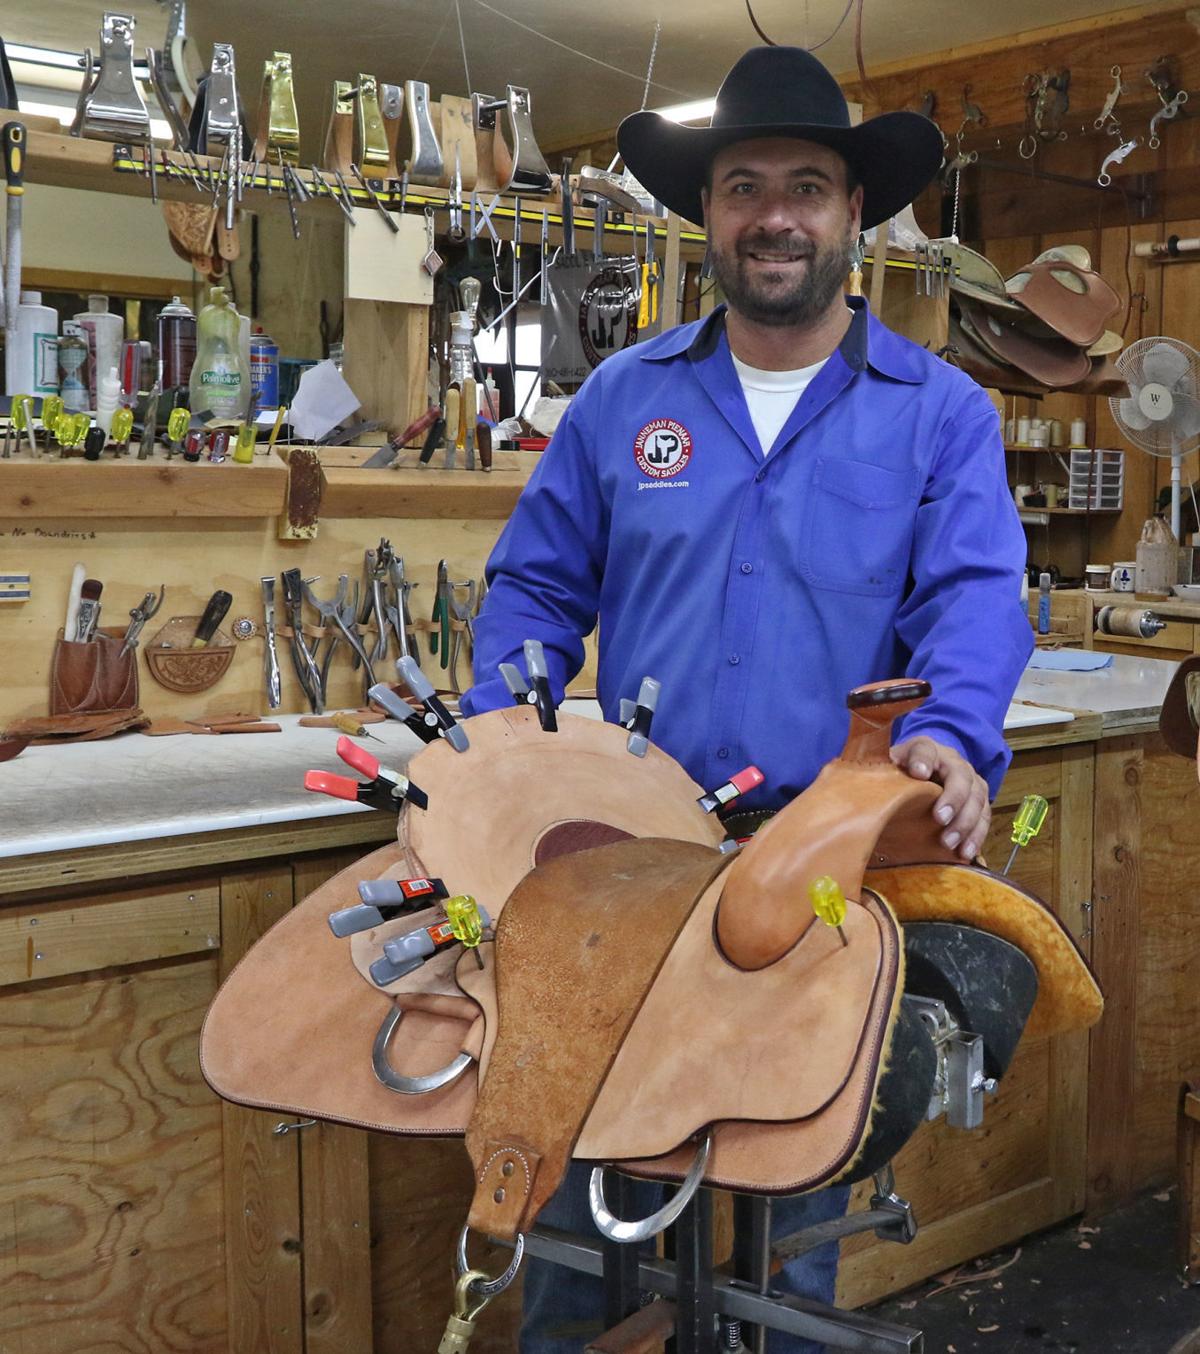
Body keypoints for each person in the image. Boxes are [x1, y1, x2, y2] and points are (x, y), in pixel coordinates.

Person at [460, 44, 1033, 1354]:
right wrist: (511, 738)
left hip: (822, 862)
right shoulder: (621, 402)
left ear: (849, 213)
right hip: (625, 869)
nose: (775, 214)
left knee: (793, 1222)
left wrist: (949, 738)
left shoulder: (940, 415)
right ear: (708, 213)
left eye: (807, 186)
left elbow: (974, 602)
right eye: (744, 185)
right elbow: (534, 595)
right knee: (587, 1205)